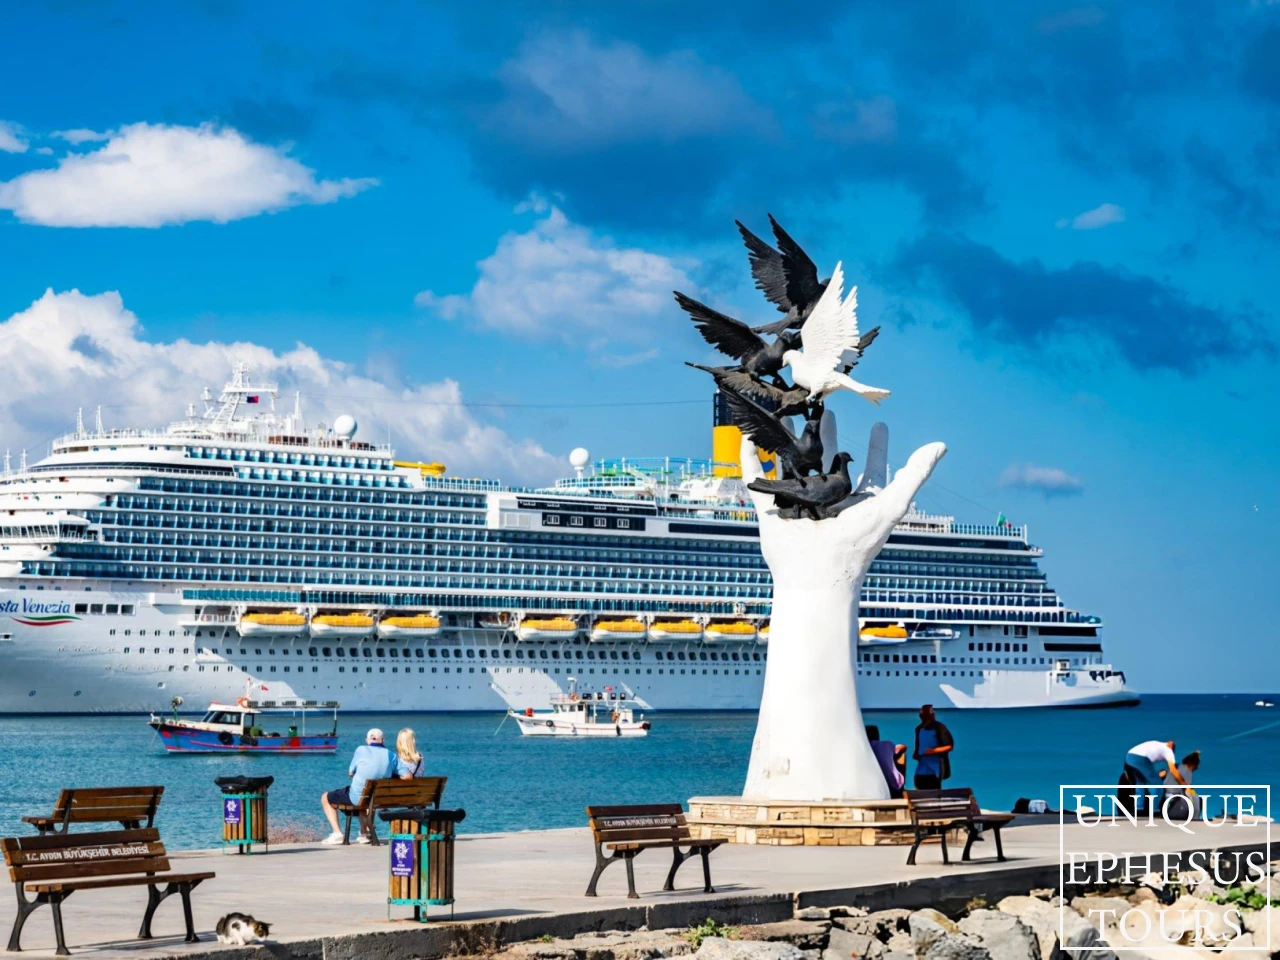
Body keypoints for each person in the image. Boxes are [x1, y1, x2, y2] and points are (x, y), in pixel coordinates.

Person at [320, 728, 397, 845]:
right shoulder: (391, 755)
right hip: (378, 798)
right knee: (367, 797)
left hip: (357, 797)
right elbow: (404, 774)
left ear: (368, 740)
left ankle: (337, 834)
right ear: (383, 740)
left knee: (325, 797)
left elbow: (351, 772)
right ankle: (365, 833)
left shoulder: (361, 750)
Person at [1121, 739, 1186, 813]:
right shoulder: (1168, 750)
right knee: (1158, 784)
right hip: (1140, 758)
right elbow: (1173, 769)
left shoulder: (1158, 744)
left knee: (1140, 782)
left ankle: (1139, 808)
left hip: (1129, 757)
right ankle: (1154, 809)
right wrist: (1183, 783)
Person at [912, 704, 954, 789]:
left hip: (935, 767)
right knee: (919, 785)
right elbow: (918, 747)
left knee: (934, 788)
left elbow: (949, 746)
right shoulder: (918, 729)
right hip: (922, 766)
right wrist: (916, 753)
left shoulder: (939, 728)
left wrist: (932, 751)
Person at [865, 725, 905, 798]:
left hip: (874, 785)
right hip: (893, 782)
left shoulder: (866, 748)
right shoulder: (887, 744)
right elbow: (902, 747)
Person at [1166, 750, 1202, 818]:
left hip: (1167, 795)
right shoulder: (1187, 770)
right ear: (1192, 765)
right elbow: (1188, 790)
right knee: (1196, 798)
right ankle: (1194, 817)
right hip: (1176, 798)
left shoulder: (1176, 767)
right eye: (1195, 766)